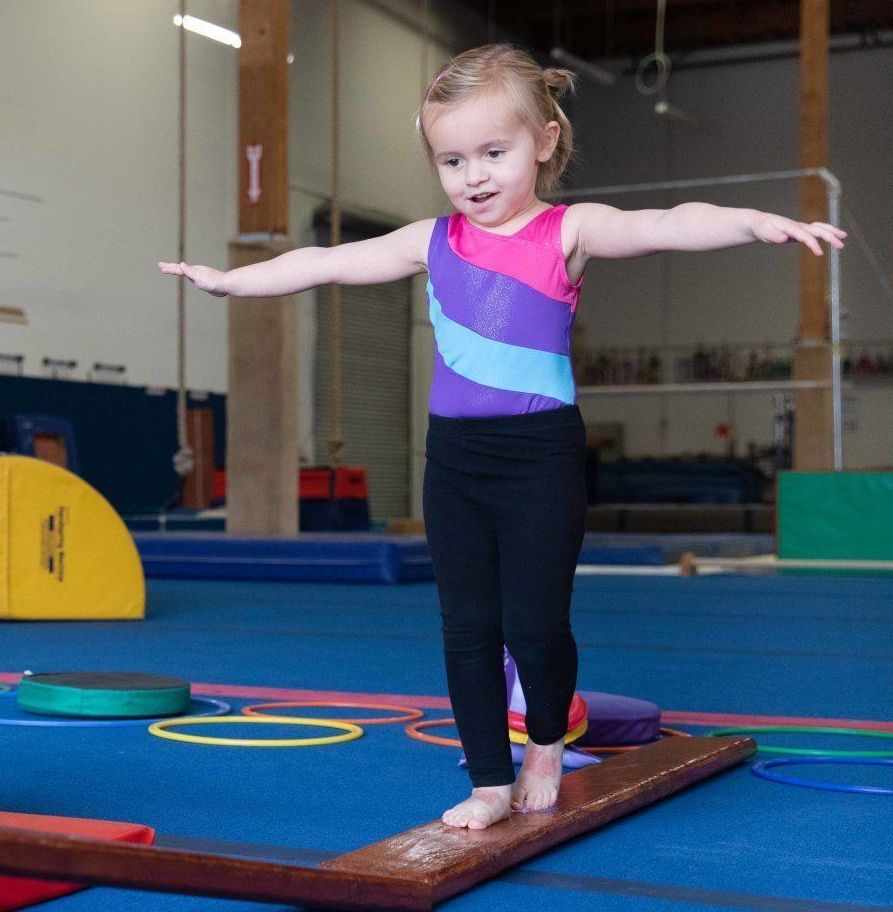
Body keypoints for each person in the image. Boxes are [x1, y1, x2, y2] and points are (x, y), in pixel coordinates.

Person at [160, 43, 846, 831]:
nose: (473, 175)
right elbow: (328, 261)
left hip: (539, 456)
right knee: (466, 627)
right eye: (452, 159)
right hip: (453, 460)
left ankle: (545, 745)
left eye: (494, 151)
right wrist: (231, 280)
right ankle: (489, 780)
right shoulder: (431, 240)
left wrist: (754, 223)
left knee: (533, 623)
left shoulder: (567, 230)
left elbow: (663, 224)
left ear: (544, 141)